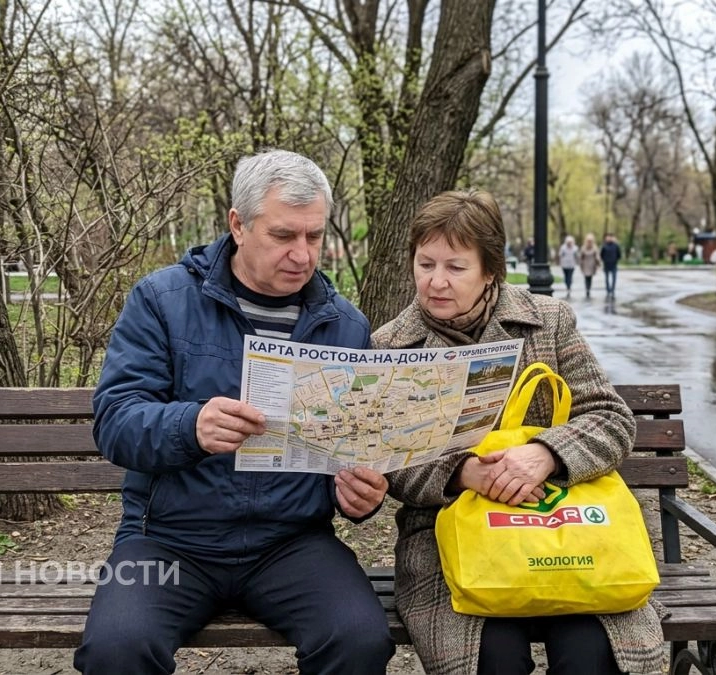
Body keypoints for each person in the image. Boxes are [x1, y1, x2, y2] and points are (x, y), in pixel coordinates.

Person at [75, 150, 395, 675]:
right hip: (170, 541)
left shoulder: (345, 325)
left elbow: (348, 448)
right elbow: (115, 422)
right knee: (117, 648)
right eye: (284, 235)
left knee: (359, 639)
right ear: (238, 225)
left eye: (314, 237)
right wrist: (190, 426)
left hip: (291, 543)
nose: (302, 254)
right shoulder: (162, 299)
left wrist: (360, 496)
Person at [371, 189, 664, 675]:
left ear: (491, 269)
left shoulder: (547, 323)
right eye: (425, 264)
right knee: (491, 661)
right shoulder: (391, 346)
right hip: (447, 541)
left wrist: (545, 454)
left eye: (455, 267)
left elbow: (611, 419)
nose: (436, 282)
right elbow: (390, 458)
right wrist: (464, 473)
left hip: (568, 526)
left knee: (592, 655)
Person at [577, 233, 600, 299]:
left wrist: (598, 263)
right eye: (588, 240)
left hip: (592, 265)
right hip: (585, 264)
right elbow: (581, 256)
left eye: (591, 240)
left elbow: (597, 256)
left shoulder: (595, 247)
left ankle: (588, 288)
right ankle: (587, 289)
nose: (589, 242)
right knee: (586, 277)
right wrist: (580, 263)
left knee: (590, 278)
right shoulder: (583, 248)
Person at [600, 233, 623, 298]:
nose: (609, 238)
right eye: (608, 237)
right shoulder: (604, 246)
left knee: (614, 278)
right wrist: (604, 260)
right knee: (606, 279)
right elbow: (601, 255)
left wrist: (616, 260)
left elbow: (619, 254)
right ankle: (608, 290)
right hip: (606, 265)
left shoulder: (616, 246)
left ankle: (612, 290)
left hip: (614, 265)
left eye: (610, 237)